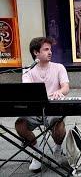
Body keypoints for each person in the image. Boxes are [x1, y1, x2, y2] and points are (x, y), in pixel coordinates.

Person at [15, 37, 70, 172]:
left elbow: (66, 87)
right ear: (36, 53)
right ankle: (37, 152)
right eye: (46, 49)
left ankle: (57, 150)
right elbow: (28, 90)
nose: (50, 52)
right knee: (20, 125)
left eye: (50, 49)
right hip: (35, 110)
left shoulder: (59, 67)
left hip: (53, 109)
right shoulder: (28, 70)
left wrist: (59, 92)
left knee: (59, 125)